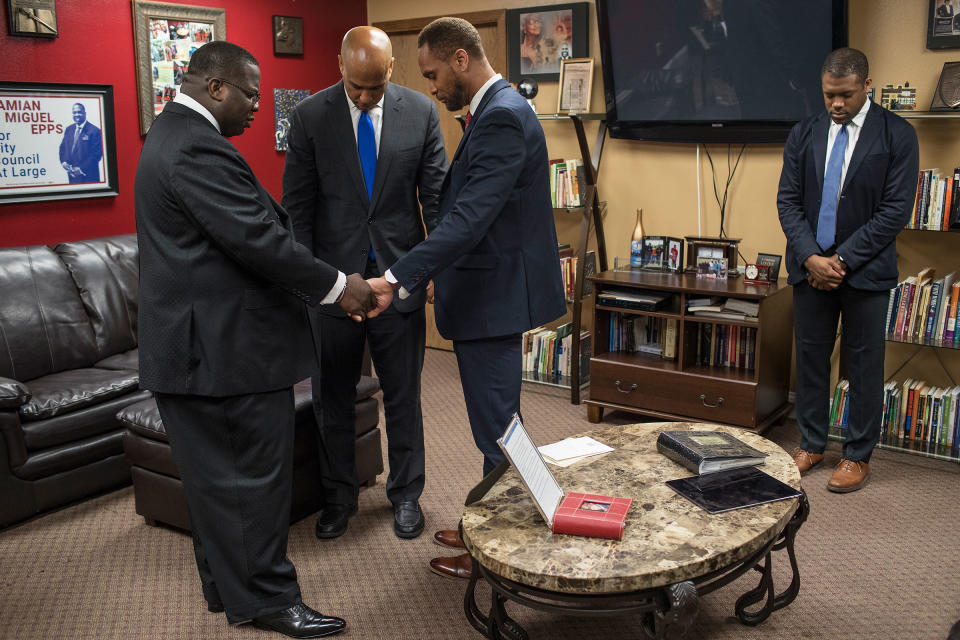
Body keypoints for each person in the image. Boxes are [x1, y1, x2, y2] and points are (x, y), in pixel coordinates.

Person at [135, 40, 378, 638]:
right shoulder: (194, 147)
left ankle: (229, 589)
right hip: (222, 355)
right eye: (250, 95)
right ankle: (269, 599)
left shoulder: (172, 135)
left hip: (205, 351)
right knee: (249, 482)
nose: (257, 108)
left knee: (217, 483)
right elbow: (258, 240)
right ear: (215, 87)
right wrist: (340, 286)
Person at [366, 17, 566, 579]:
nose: (429, 85)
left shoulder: (502, 115)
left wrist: (398, 276)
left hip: (492, 297)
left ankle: (498, 548)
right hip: (486, 289)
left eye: (431, 73)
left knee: (497, 429)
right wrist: (436, 272)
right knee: (501, 424)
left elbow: (470, 219)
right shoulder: (497, 108)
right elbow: (470, 212)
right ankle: (496, 522)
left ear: (460, 59)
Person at [282, 26, 447, 541]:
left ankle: (405, 496)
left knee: (403, 397)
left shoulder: (420, 112)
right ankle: (338, 497)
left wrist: (432, 267)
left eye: (374, 87)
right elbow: (298, 211)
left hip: (399, 282)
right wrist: (313, 285)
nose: (364, 96)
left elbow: (437, 199)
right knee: (333, 398)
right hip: (334, 289)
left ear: (391, 69)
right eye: (356, 85)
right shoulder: (309, 118)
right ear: (339, 65)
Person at [777, 47, 919, 493]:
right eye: (829, 96)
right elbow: (788, 201)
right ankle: (812, 443)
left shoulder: (898, 134)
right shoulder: (805, 133)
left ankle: (858, 454)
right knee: (812, 359)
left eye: (846, 95)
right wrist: (810, 257)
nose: (837, 104)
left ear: (867, 86)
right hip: (809, 268)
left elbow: (894, 211)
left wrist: (841, 260)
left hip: (865, 271)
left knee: (863, 365)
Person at [59, 103, 102, 184]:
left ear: (85, 113)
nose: (77, 115)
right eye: (74, 112)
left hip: (89, 176)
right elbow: (62, 148)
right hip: (73, 176)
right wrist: (64, 161)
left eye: (79, 112)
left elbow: (96, 155)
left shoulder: (94, 131)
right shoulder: (69, 129)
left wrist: (81, 168)